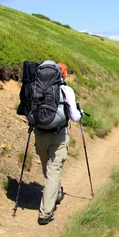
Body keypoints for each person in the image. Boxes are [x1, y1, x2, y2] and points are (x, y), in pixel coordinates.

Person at [34, 62, 82, 225]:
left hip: (39, 134)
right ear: (62, 74)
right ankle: (45, 213)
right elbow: (75, 117)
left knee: (47, 168)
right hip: (59, 135)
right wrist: (80, 112)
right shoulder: (66, 90)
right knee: (54, 171)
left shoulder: (35, 87)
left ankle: (56, 193)